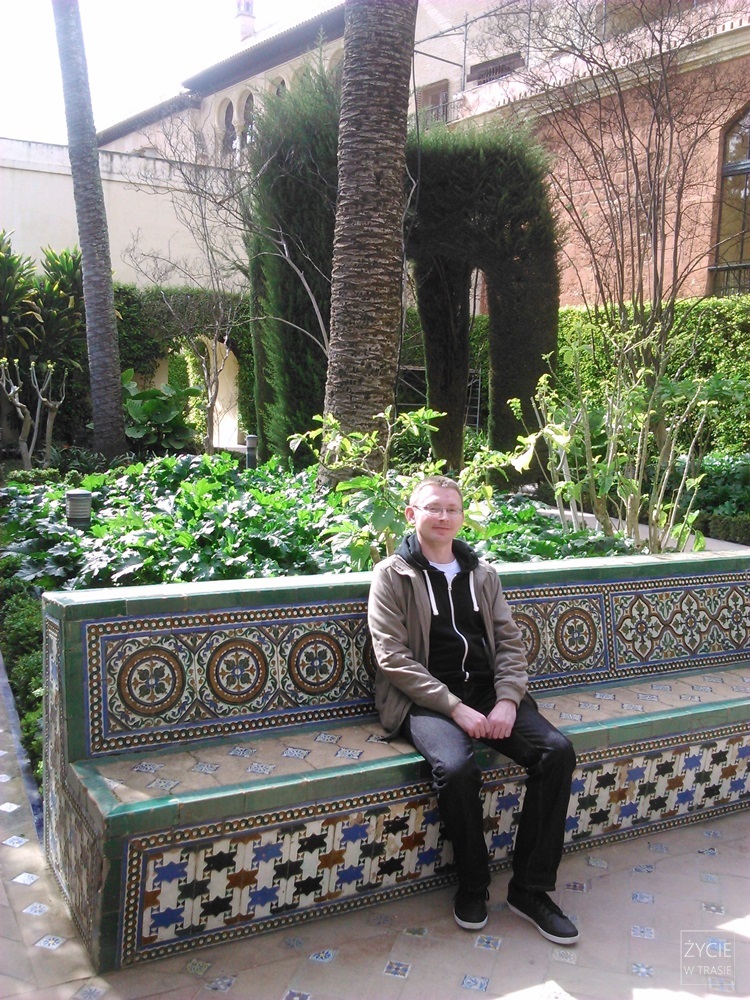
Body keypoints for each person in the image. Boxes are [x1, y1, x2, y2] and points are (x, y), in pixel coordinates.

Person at [367, 475, 579, 943]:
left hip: (486, 691)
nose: (443, 517)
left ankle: (530, 890)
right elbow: (392, 657)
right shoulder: (392, 575)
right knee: (457, 768)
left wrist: (507, 700)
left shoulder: (483, 574)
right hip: (424, 698)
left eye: (452, 509)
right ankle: (473, 884)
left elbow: (509, 643)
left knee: (556, 752)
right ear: (412, 514)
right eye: (433, 508)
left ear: (462, 517)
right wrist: (455, 708)